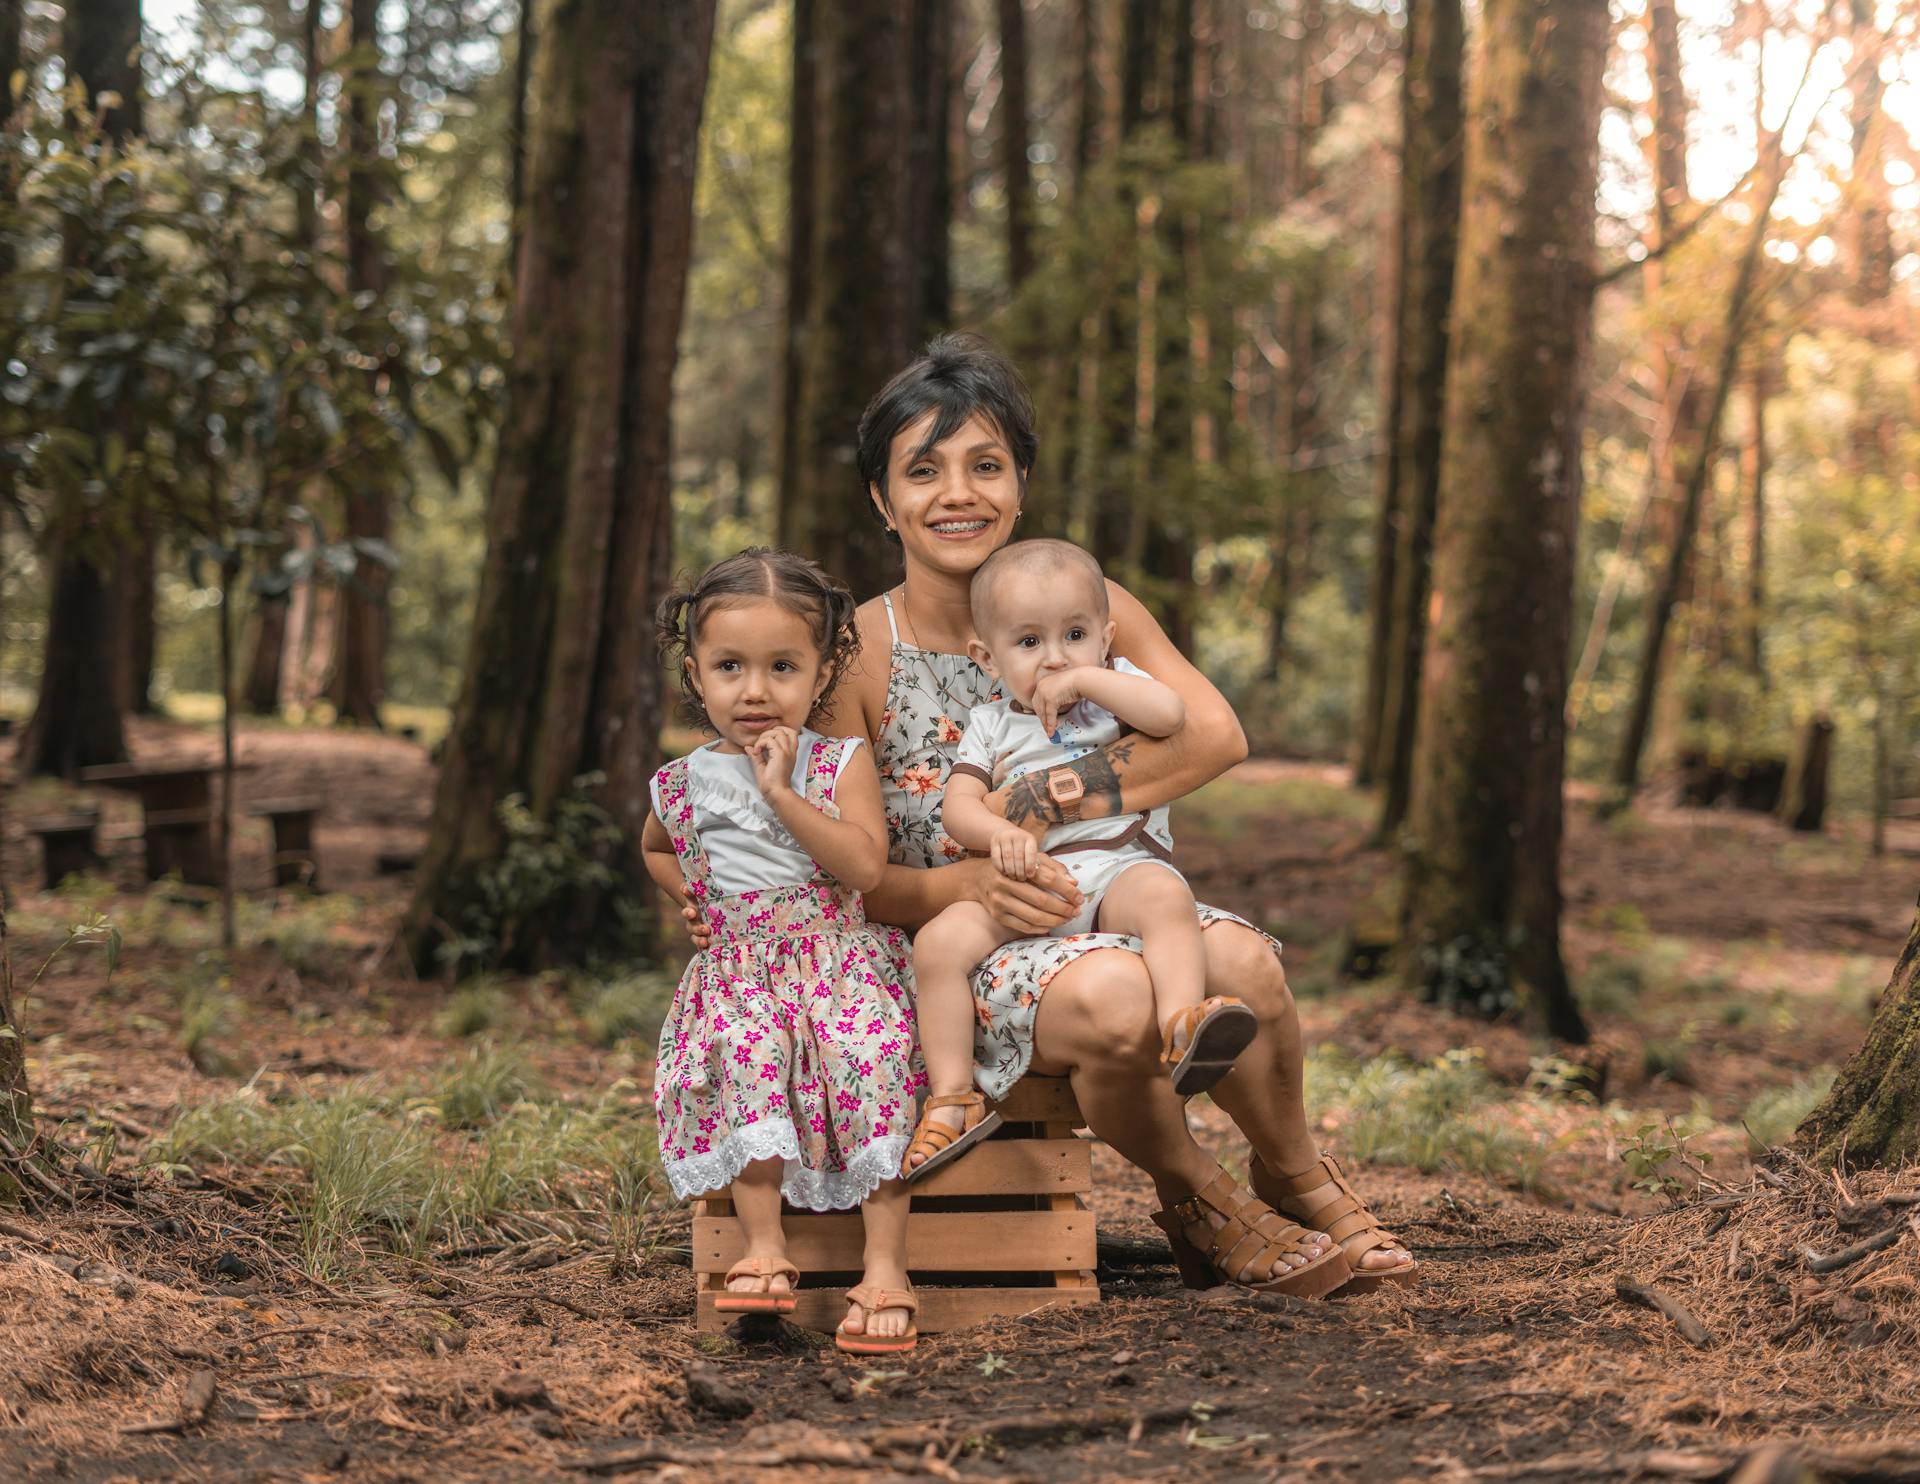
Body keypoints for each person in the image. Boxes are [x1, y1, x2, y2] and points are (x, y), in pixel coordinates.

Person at [820, 333, 1415, 1296]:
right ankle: (1204, 1197)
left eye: (986, 465)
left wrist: (1049, 796)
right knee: (1112, 996)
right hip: (964, 939)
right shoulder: (855, 655)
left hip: (1107, 891)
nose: (958, 493)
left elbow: (1214, 737)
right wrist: (969, 880)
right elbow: (851, 869)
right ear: (884, 502)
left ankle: (1297, 1173)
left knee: (1245, 964)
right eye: (923, 472)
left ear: (1021, 483)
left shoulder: (1088, 606)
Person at [900, 538, 1259, 1182]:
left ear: (1106, 636)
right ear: (987, 656)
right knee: (938, 945)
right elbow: (958, 806)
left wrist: (1095, 678)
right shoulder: (990, 723)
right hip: (1031, 886)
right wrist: (994, 831)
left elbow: (1171, 713)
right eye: (1029, 642)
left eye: (1074, 635)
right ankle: (952, 1095)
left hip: (1117, 868)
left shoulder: (1117, 694)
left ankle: (1182, 1026)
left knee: (1166, 898)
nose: (1056, 656)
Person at [643, 549, 923, 1354]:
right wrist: (691, 898)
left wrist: (782, 795)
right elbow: (656, 849)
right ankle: (764, 1247)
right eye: (730, 666)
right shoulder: (682, 782)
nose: (755, 690)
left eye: (782, 666)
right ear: (695, 673)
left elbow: (865, 867)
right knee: (744, 1054)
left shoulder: (839, 763)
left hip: (838, 966)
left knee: (870, 1064)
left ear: (824, 668)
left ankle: (885, 1265)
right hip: (739, 978)